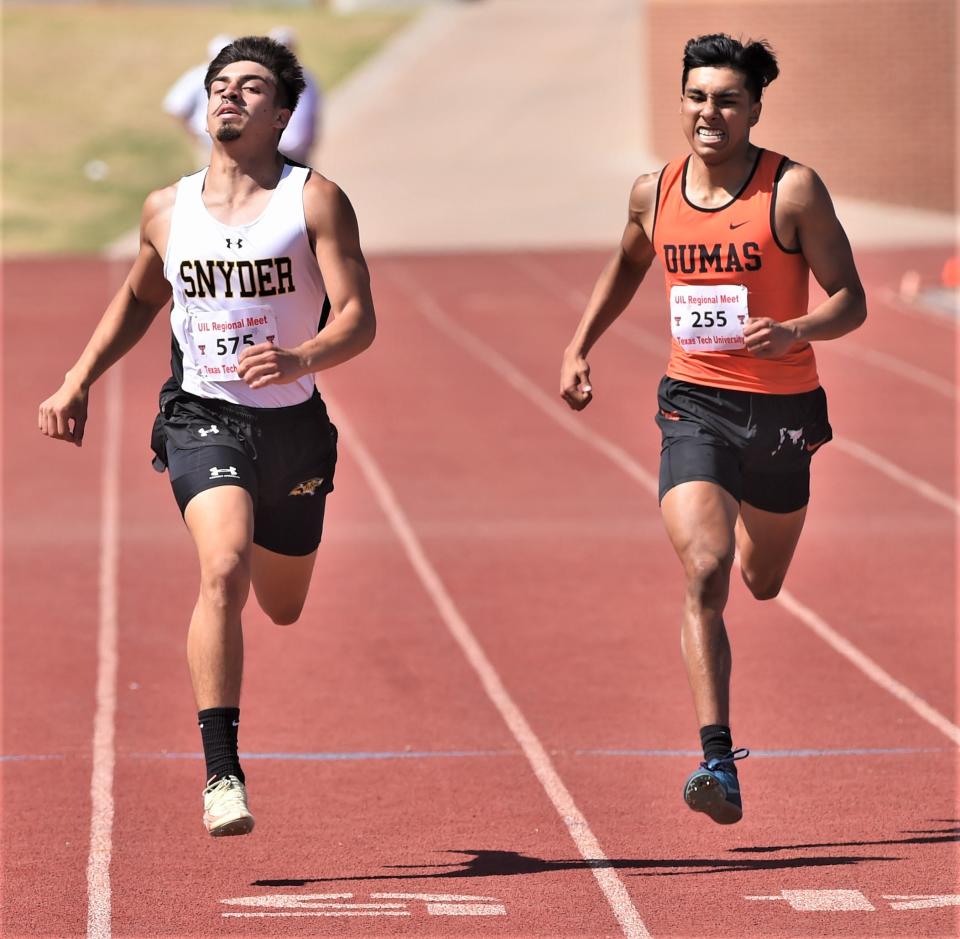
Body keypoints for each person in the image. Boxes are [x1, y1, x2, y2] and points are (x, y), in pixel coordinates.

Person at [39, 36, 376, 837]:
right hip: (202, 417)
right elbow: (137, 299)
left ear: (282, 114)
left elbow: (360, 318)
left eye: (251, 87)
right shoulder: (167, 207)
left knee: (282, 604)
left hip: (293, 428)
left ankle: (279, 543)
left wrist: (302, 354)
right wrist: (78, 377)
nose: (228, 95)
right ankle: (223, 772)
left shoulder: (315, 200)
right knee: (221, 564)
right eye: (220, 84)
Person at [560, 34, 866, 824]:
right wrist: (580, 343)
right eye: (697, 96)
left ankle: (719, 747)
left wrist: (795, 328)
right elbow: (628, 262)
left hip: (784, 413)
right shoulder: (652, 191)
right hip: (694, 403)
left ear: (754, 108)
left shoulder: (791, 191)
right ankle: (716, 758)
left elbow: (852, 300)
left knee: (761, 580)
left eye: (727, 99)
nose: (709, 113)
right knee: (705, 566)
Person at [162, 35, 234, 166]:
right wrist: (193, 136)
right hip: (208, 140)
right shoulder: (198, 76)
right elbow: (175, 107)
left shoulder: (234, 78)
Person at [267, 26, 323, 165]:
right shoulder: (264, 79)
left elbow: (313, 112)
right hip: (272, 148)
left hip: (300, 148)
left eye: (288, 47)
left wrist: (312, 140)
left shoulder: (307, 78)